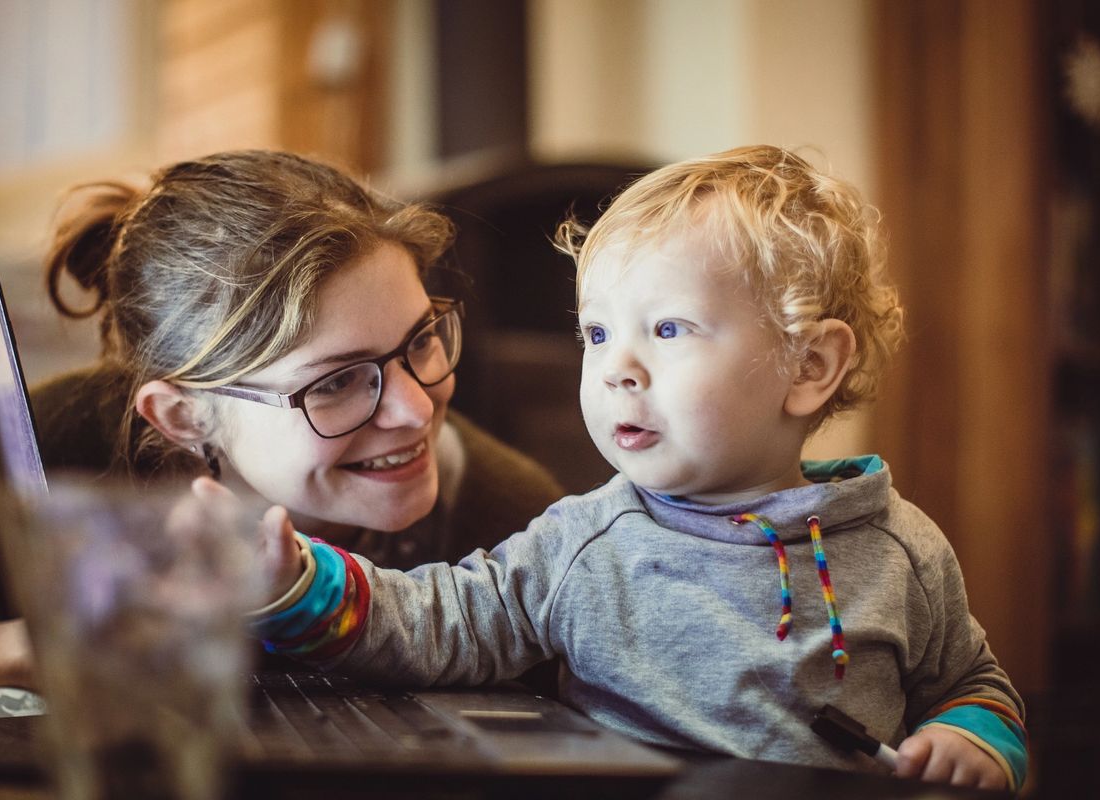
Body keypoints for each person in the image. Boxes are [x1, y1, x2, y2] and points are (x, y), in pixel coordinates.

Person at [247, 146, 1028, 791]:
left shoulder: (902, 550)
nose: (616, 367)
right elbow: (436, 621)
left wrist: (974, 738)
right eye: (595, 334)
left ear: (810, 365)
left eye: (666, 328)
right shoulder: (586, 543)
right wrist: (298, 582)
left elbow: (976, 686)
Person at [0, 150, 564, 725]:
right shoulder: (68, 446)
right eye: (335, 382)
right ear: (179, 416)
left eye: (420, 341)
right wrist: (39, 647)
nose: (415, 410)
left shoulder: (503, 521)